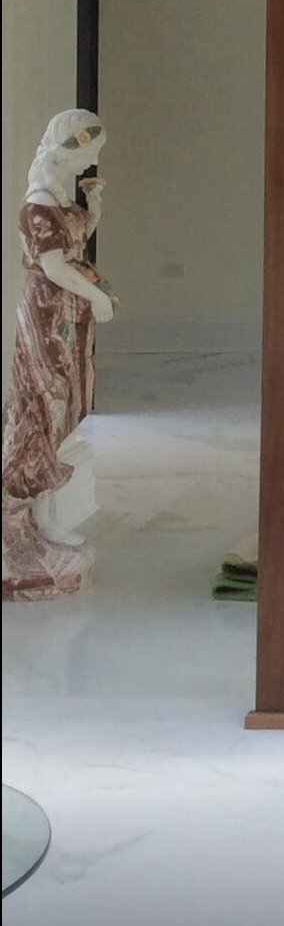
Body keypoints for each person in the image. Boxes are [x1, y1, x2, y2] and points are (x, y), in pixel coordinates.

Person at [1, 109, 119, 599]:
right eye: (89, 155)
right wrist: (94, 295)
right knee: (41, 413)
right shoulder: (36, 205)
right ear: (69, 149)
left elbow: (76, 241)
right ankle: (24, 520)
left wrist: (93, 206)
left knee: (60, 413)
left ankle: (44, 518)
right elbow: (53, 266)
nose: (91, 163)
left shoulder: (56, 199)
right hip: (47, 318)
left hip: (65, 316)